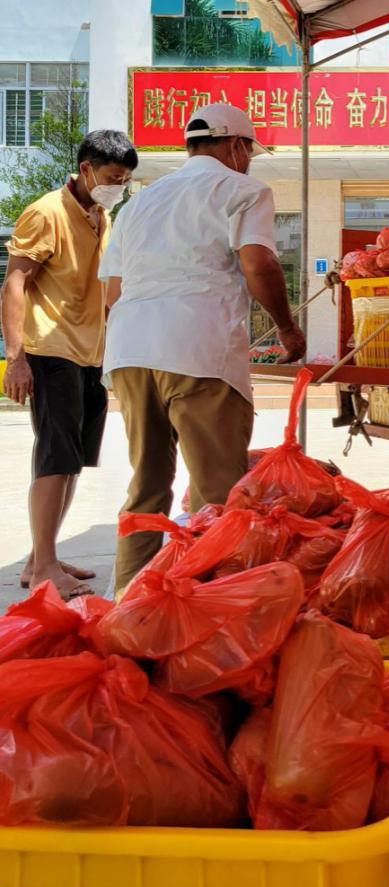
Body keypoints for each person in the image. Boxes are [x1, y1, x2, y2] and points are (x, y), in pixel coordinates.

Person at [99, 102, 306, 593]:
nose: (249, 161)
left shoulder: (138, 203)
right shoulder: (243, 190)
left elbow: (112, 293)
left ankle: (128, 599)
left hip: (130, 352)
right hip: (198, 351)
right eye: (249, 151)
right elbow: (259, 264)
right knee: (219, 494)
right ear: (235, 145)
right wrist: (287, 328)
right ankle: (219, 604)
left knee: (147, 485)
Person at [1, 130, 137, 599]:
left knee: (73, 462)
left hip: (89, 355)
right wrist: (15, 359)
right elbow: (14, 284)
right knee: (54, 460)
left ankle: (42, 559)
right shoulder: (46, 213)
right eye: (112, 178)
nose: (118, 187)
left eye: (124, 181)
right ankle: (42, 569)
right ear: (85, 169)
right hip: (50, 350)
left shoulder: (102, 215)